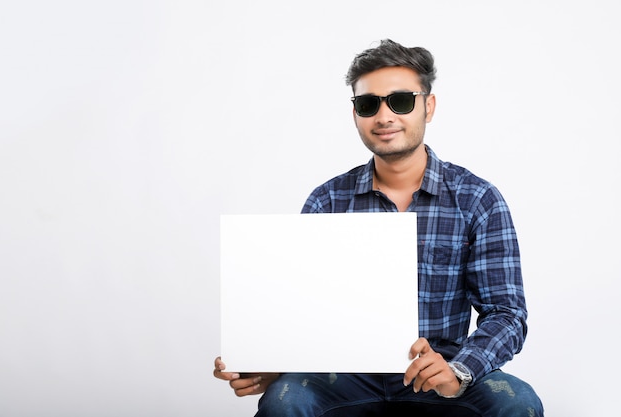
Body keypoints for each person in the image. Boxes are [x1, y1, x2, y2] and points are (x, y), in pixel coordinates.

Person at [213, 39, 544, 416]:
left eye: (400, 101)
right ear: (355, 113)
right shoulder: (327, 201)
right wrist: (270, 364)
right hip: (344, 375)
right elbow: (304, 315)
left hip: (439, 369)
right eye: (369, 104)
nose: (384, 116)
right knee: (285, 401)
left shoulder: (477, 200)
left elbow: (506, 313)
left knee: (517, 403)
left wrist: (459, 370)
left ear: (428, 107)